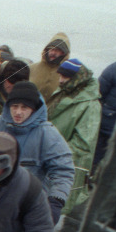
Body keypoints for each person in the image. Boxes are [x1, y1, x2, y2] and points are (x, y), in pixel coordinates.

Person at [0, 80, 74, 227]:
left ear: (34, 109)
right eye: (14, 106)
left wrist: (55, 201)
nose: (18, 112)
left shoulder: (48, 134)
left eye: (24, 107)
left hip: (24, 205)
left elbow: (63, 170)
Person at [47, 58, 101, 215]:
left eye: (65, 77)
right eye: (60, 76)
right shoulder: (65, 91)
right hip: (50, 159)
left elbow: (83, 144)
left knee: (55, 209)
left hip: (65, 166)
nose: (61, 81)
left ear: (77, 79)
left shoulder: (91, 105)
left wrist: (52, 155)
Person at [28, 33, 71, 106]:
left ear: (64, 53)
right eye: (51, 49)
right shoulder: (31, 68)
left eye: (57, 50)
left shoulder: (69, 74)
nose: (53, 53)